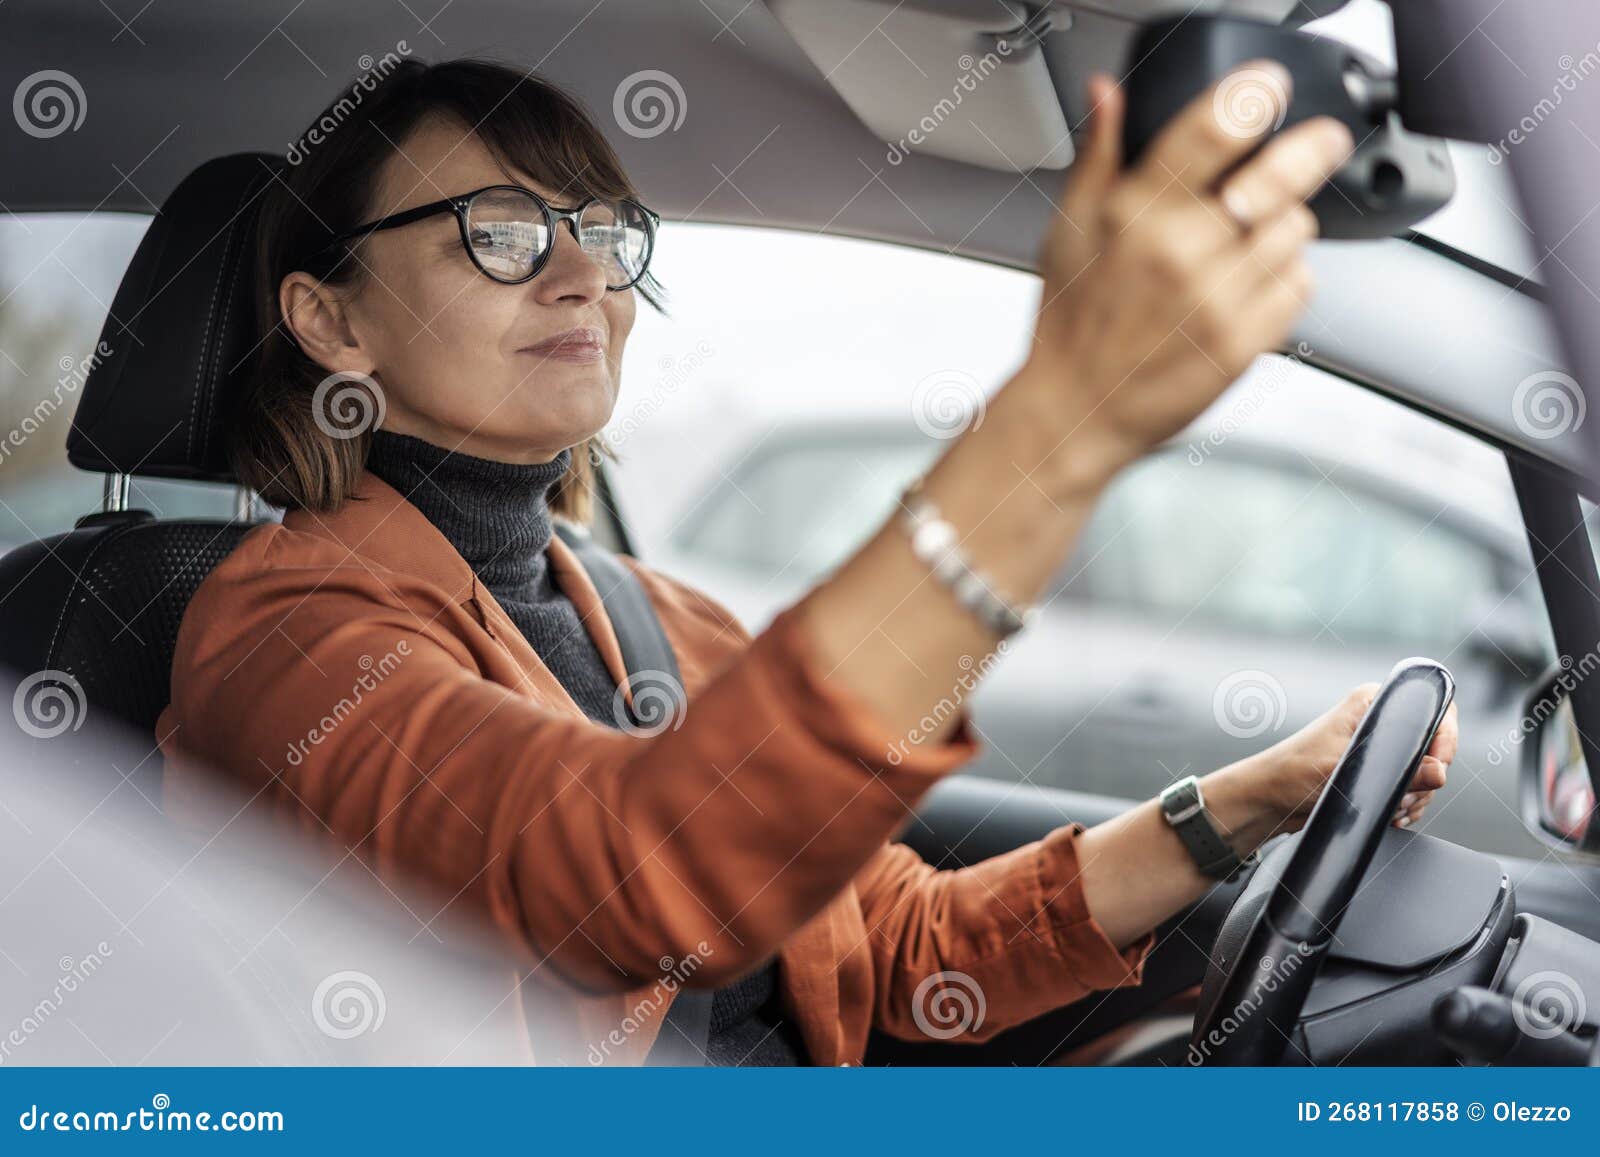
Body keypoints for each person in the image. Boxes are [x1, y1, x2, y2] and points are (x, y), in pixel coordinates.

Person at [160, 57, 1454, 1066]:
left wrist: (1252, 799)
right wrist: (1061, 421)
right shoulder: (282, 636)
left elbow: (906, 943)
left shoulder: (661, 615)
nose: (576, 275)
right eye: (497, 232)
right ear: (331, 321)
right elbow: (636, 872)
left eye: (602, 232)